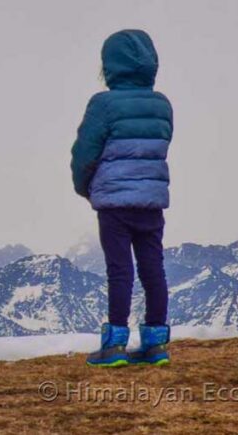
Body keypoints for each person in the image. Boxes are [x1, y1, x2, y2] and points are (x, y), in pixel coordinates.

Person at [69, 29, 174, 367]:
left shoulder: (103, 105)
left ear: (111, 65)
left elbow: (85, 152)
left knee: (120, 270)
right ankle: (156, 344)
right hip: (152, 201)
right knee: (153, 269)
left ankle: (114, 345)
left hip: (114, 204)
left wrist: (86, 186)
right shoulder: (162, 105)